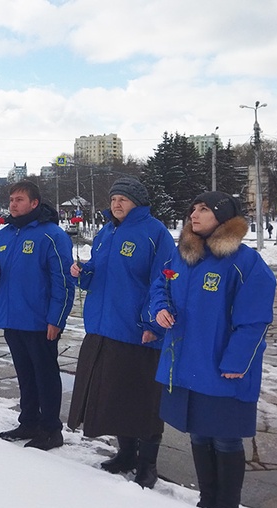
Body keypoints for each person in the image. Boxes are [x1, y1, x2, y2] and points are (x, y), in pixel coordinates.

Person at [152, 191, 276, 508]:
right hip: (187, 363)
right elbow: (160, 287)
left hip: (221, 365)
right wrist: (160, 308)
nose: (194, 214)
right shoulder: (181, 256)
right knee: (198, 435)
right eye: (193, 208)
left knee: (225, 438)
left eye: (204, 209)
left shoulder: (245, 262)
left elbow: (256, 319)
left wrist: (237, 361)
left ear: (222, 217)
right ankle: (206, 500)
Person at [67, 177, 176, 488]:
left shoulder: (155, 233)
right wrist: (84, 273)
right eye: (114, 198)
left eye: (124, 199)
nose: (117, 204)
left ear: (138, 202)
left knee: (144, 402)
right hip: (104, 328)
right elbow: (100, 274)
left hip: (138, 331)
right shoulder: (106, 232)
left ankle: (148, 464)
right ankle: (126, 454)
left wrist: (153, 325)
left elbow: (165, 281)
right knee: (116, 398)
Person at [0, 180, 75, 451]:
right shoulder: (5, 234)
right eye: (12, 199)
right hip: (13, 317)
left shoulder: (51, 235)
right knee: (25, 374)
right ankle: (28, 421)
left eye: (19, 199)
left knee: (45, 375)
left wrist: (55, 319)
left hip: (39, 320)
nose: (13, 203)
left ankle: (50, 429)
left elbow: (62, 280)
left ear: (34, 203)